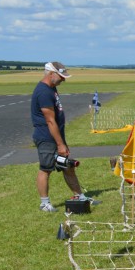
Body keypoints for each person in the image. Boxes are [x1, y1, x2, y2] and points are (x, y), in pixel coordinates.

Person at [31, 62, 100, 212]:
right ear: (51, 74)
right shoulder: (43, 92)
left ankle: (80, 196)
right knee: (46, 169)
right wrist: (60, 144)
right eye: (61, 76)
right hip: (46, 137)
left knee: (68, 166)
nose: (63, 79)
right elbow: (50, 120)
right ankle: (44, 203)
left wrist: (62, 142)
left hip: (56, 136)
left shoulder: (51, 88)